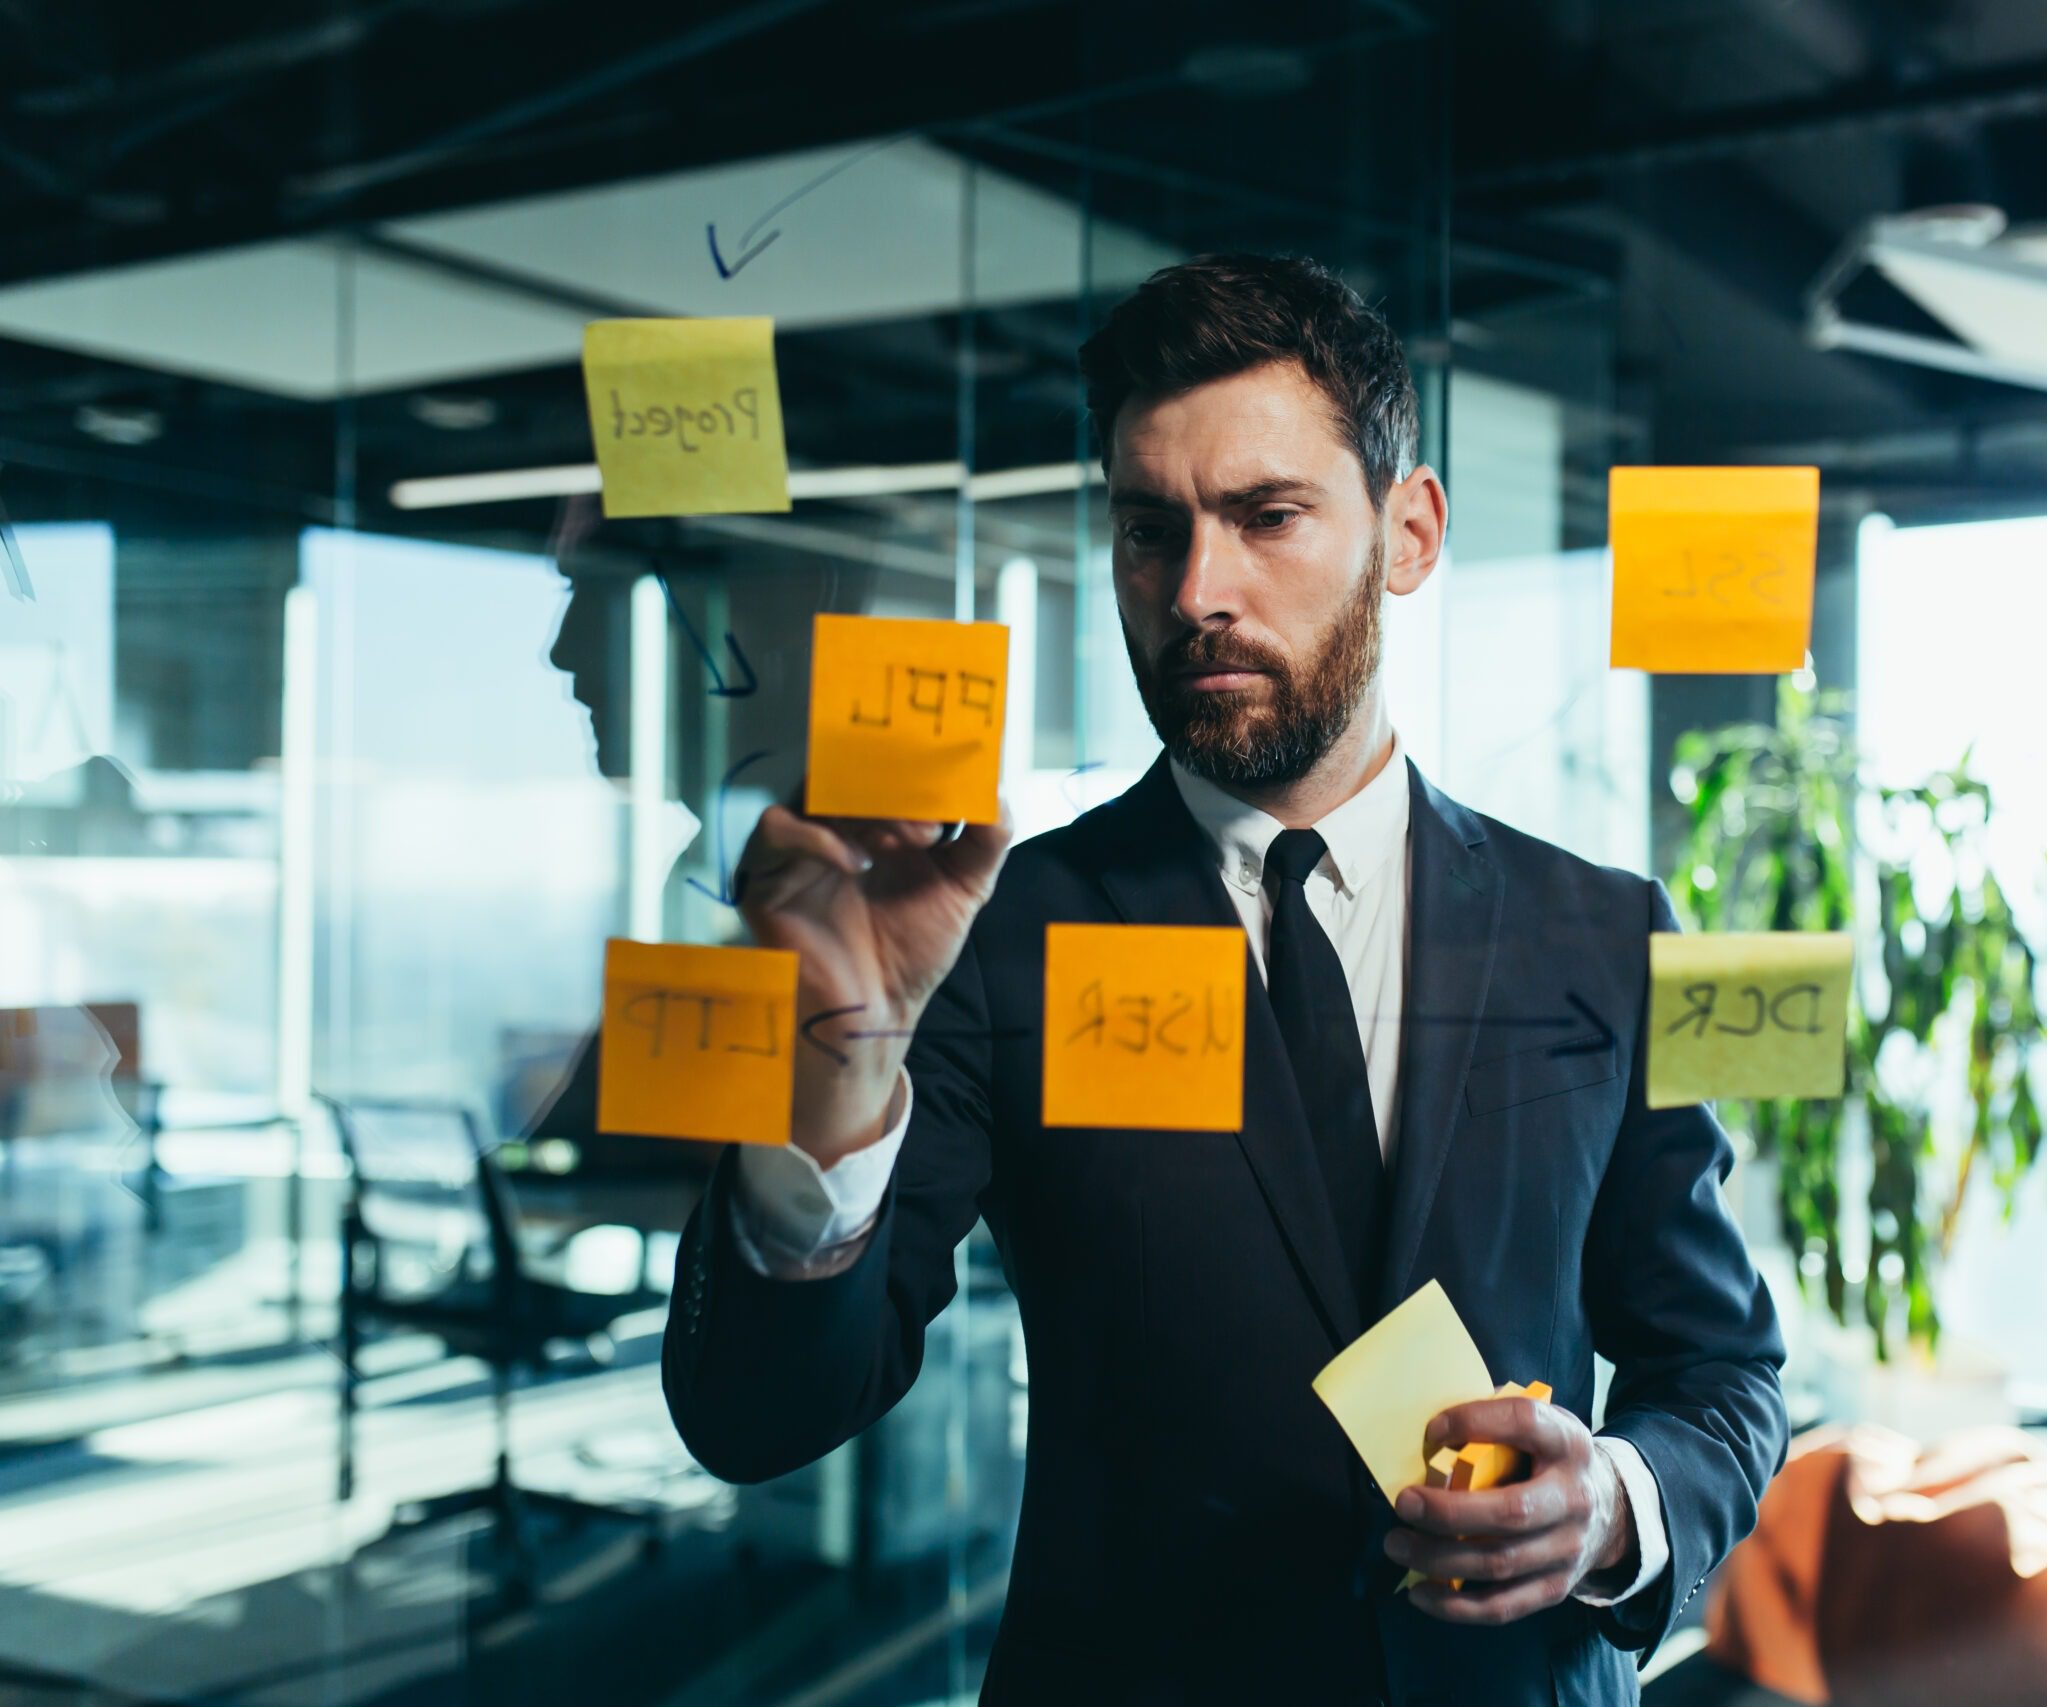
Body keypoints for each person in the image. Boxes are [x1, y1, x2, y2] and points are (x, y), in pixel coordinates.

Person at [661, 253, 1786, 1706]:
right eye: (1151, 530)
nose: (1198, 591)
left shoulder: (1606, 933)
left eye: (1266, 517)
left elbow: (1724, 1378)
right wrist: (837, 1074)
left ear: (1410, 532)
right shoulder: (995, 934)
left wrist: (1614, 1509)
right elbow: (756, 1416)